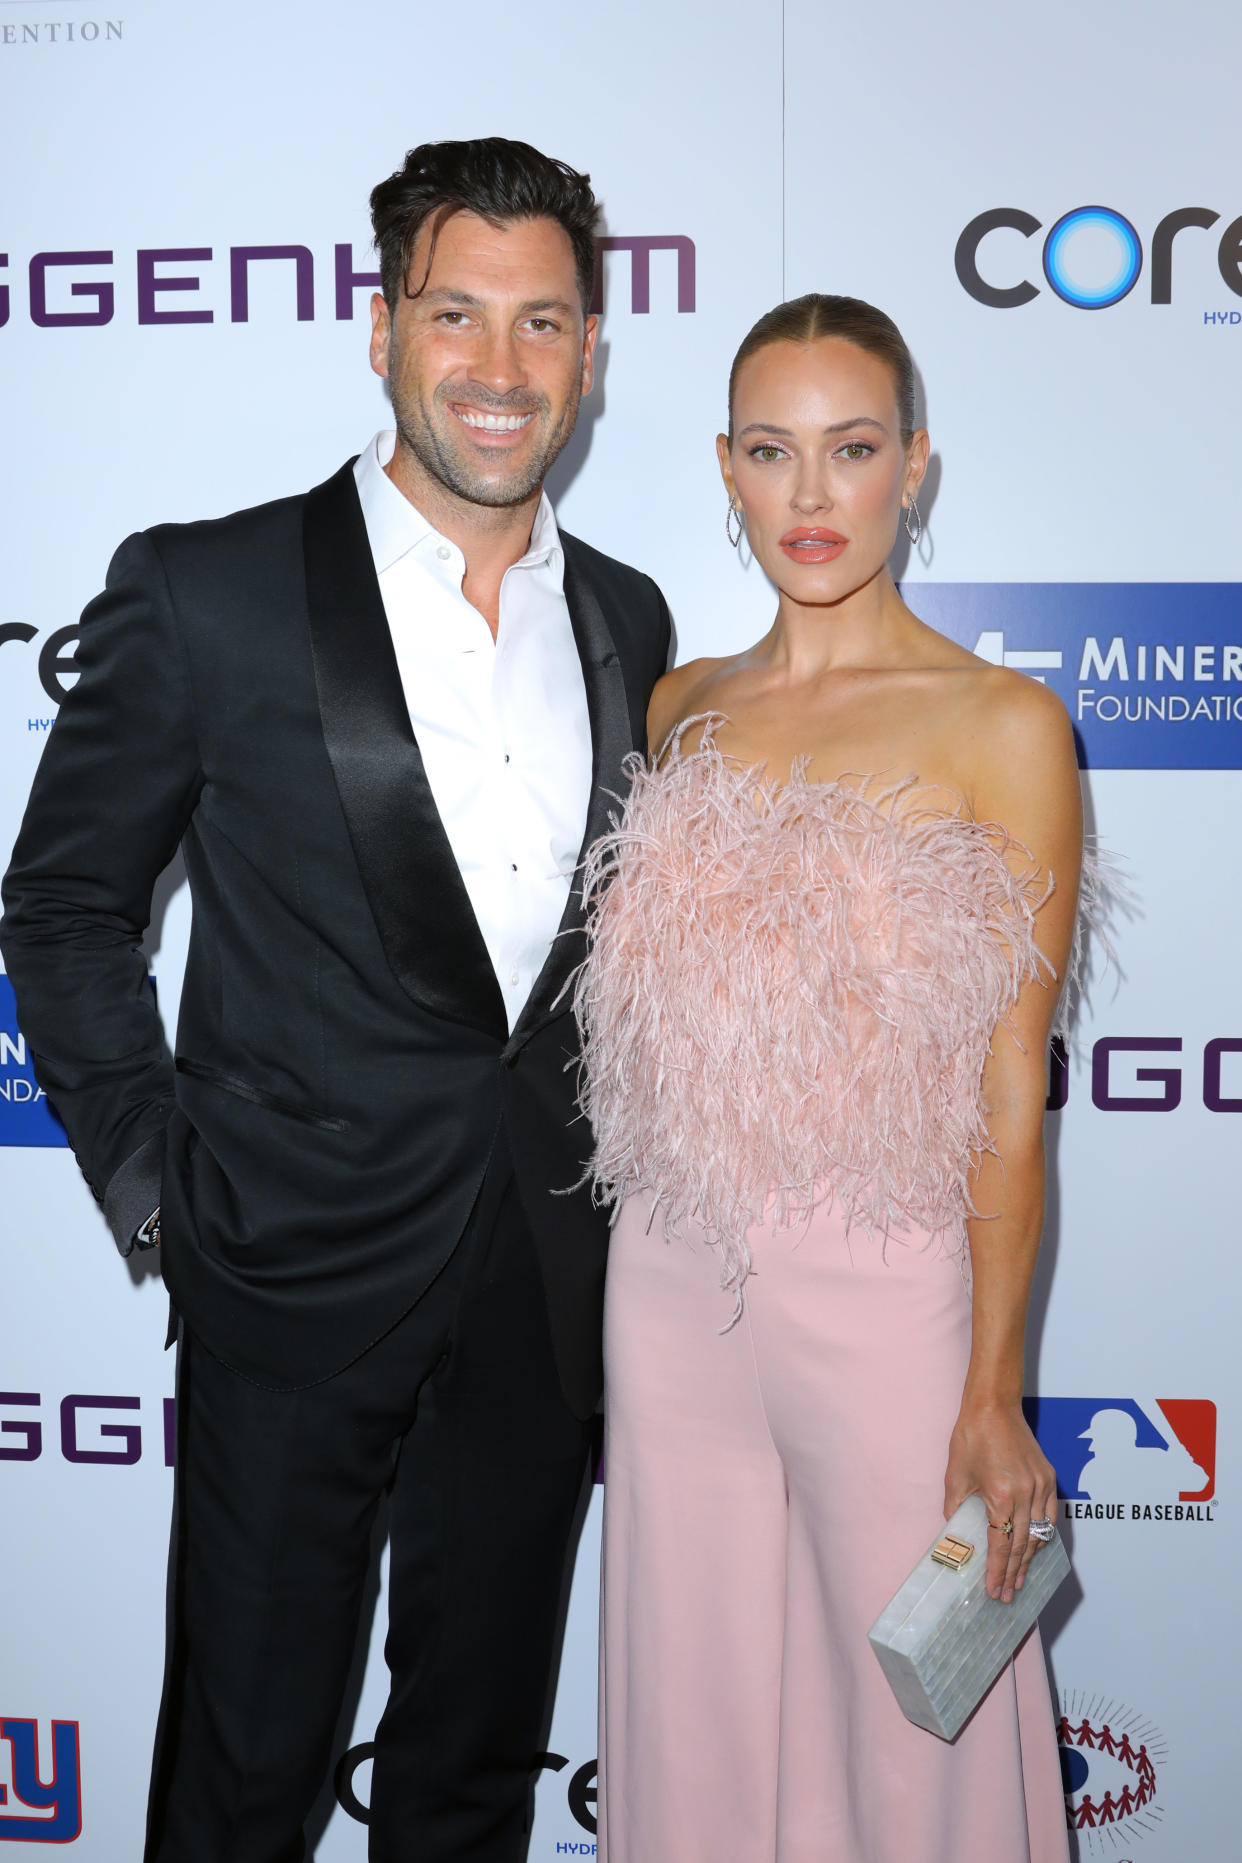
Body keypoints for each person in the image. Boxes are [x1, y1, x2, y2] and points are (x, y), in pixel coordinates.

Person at [0, 137, 670, 1863]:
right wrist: (159, 1186)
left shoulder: (629, 617)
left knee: (470, 1765)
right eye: (456, 314)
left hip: (542, 1281)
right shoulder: (206, 589)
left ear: (591, 350)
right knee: (243, 1767)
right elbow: (64, 904)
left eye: (543, 323)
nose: (501, 370)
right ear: (380, 331)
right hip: (285, 1266)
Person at [573, 294, 1077, 1862]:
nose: (809, 498)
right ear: (723, 469)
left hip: (885, 1282)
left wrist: (991, 1390)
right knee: (691, 1690)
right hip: (668, 1273)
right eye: (772, 454)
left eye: (849, 451)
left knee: (917, 1716)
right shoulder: (680, 706)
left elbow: (1008, 1089)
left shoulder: (1003, 725)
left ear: (911, 467)